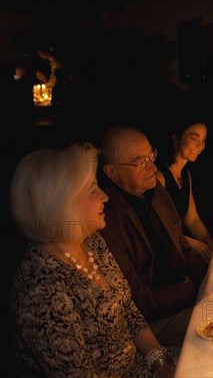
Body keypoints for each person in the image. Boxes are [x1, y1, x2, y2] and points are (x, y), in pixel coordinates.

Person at [9, 143, 175, 377]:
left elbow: (128, 310)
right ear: (60, 204)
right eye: (92, 189)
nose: (105, 196)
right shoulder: (40, 289)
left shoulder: (91, 241)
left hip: (141, 367)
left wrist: (161, 363)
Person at [98, 125, 208, 359]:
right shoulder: (106, 220)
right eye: (140, 161)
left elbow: (179, 242)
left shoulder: (153, 189)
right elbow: (139, 302)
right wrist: (194, 290)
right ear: (111, 173)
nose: (153, 167)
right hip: (150, 323)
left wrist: (208, 278)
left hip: (182, 294)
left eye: (152, 156)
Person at [156, 119, 213, 261]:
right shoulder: (160, 177)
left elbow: (193, 219)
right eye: (194, 138)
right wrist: (194, 244)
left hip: (180, 244)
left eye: (203, 140)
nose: (199, 146)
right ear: (176, 138)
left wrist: (211, 244)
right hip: (168, 251)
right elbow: (159, 228)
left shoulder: (186, 175)